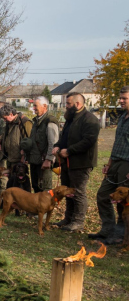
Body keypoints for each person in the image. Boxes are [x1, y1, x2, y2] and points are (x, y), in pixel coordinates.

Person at [50, 93, 100, 232]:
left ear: (77, 104)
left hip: (81, 162)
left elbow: (89, 141)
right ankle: (68, 218)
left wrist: (70, 151)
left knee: (77, 192)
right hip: (67, 161)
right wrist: (58, 145)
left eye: (68, 104)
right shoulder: (70, 119)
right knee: (68, 191)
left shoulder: (90, 120)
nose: (66, 106)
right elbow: (64, 137)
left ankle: (78, 222)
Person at [92, 87, 129, 243]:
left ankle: (120, 234)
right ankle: (108, 229)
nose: (120, 101)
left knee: (123, 202)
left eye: (124, 98)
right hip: (115, 162)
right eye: (120, 98)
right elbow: (117, 143)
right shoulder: (122, 117)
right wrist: (109, 164)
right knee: (103, 195)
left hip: (127, 165)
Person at [26, 96, 59, 193]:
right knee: (36, 187)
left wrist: (49, 159)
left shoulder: (50, 121)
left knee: (45, 190)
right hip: (34, 161)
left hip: (44, 162)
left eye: (35, 106)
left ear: (44, 106)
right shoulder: (36, 121)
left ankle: (45, 208)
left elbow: (53, 142)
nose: (33, 108)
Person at [0, 104, 32, 195]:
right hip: (10, 157)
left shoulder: (25, 122)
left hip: (20, 160)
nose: (4, 120)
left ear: (11, 114)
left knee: (20, 186)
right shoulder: (9, 123)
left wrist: (24, 156)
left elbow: (30, 140)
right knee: (12, 183)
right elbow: (5, 136)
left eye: (5, 118)